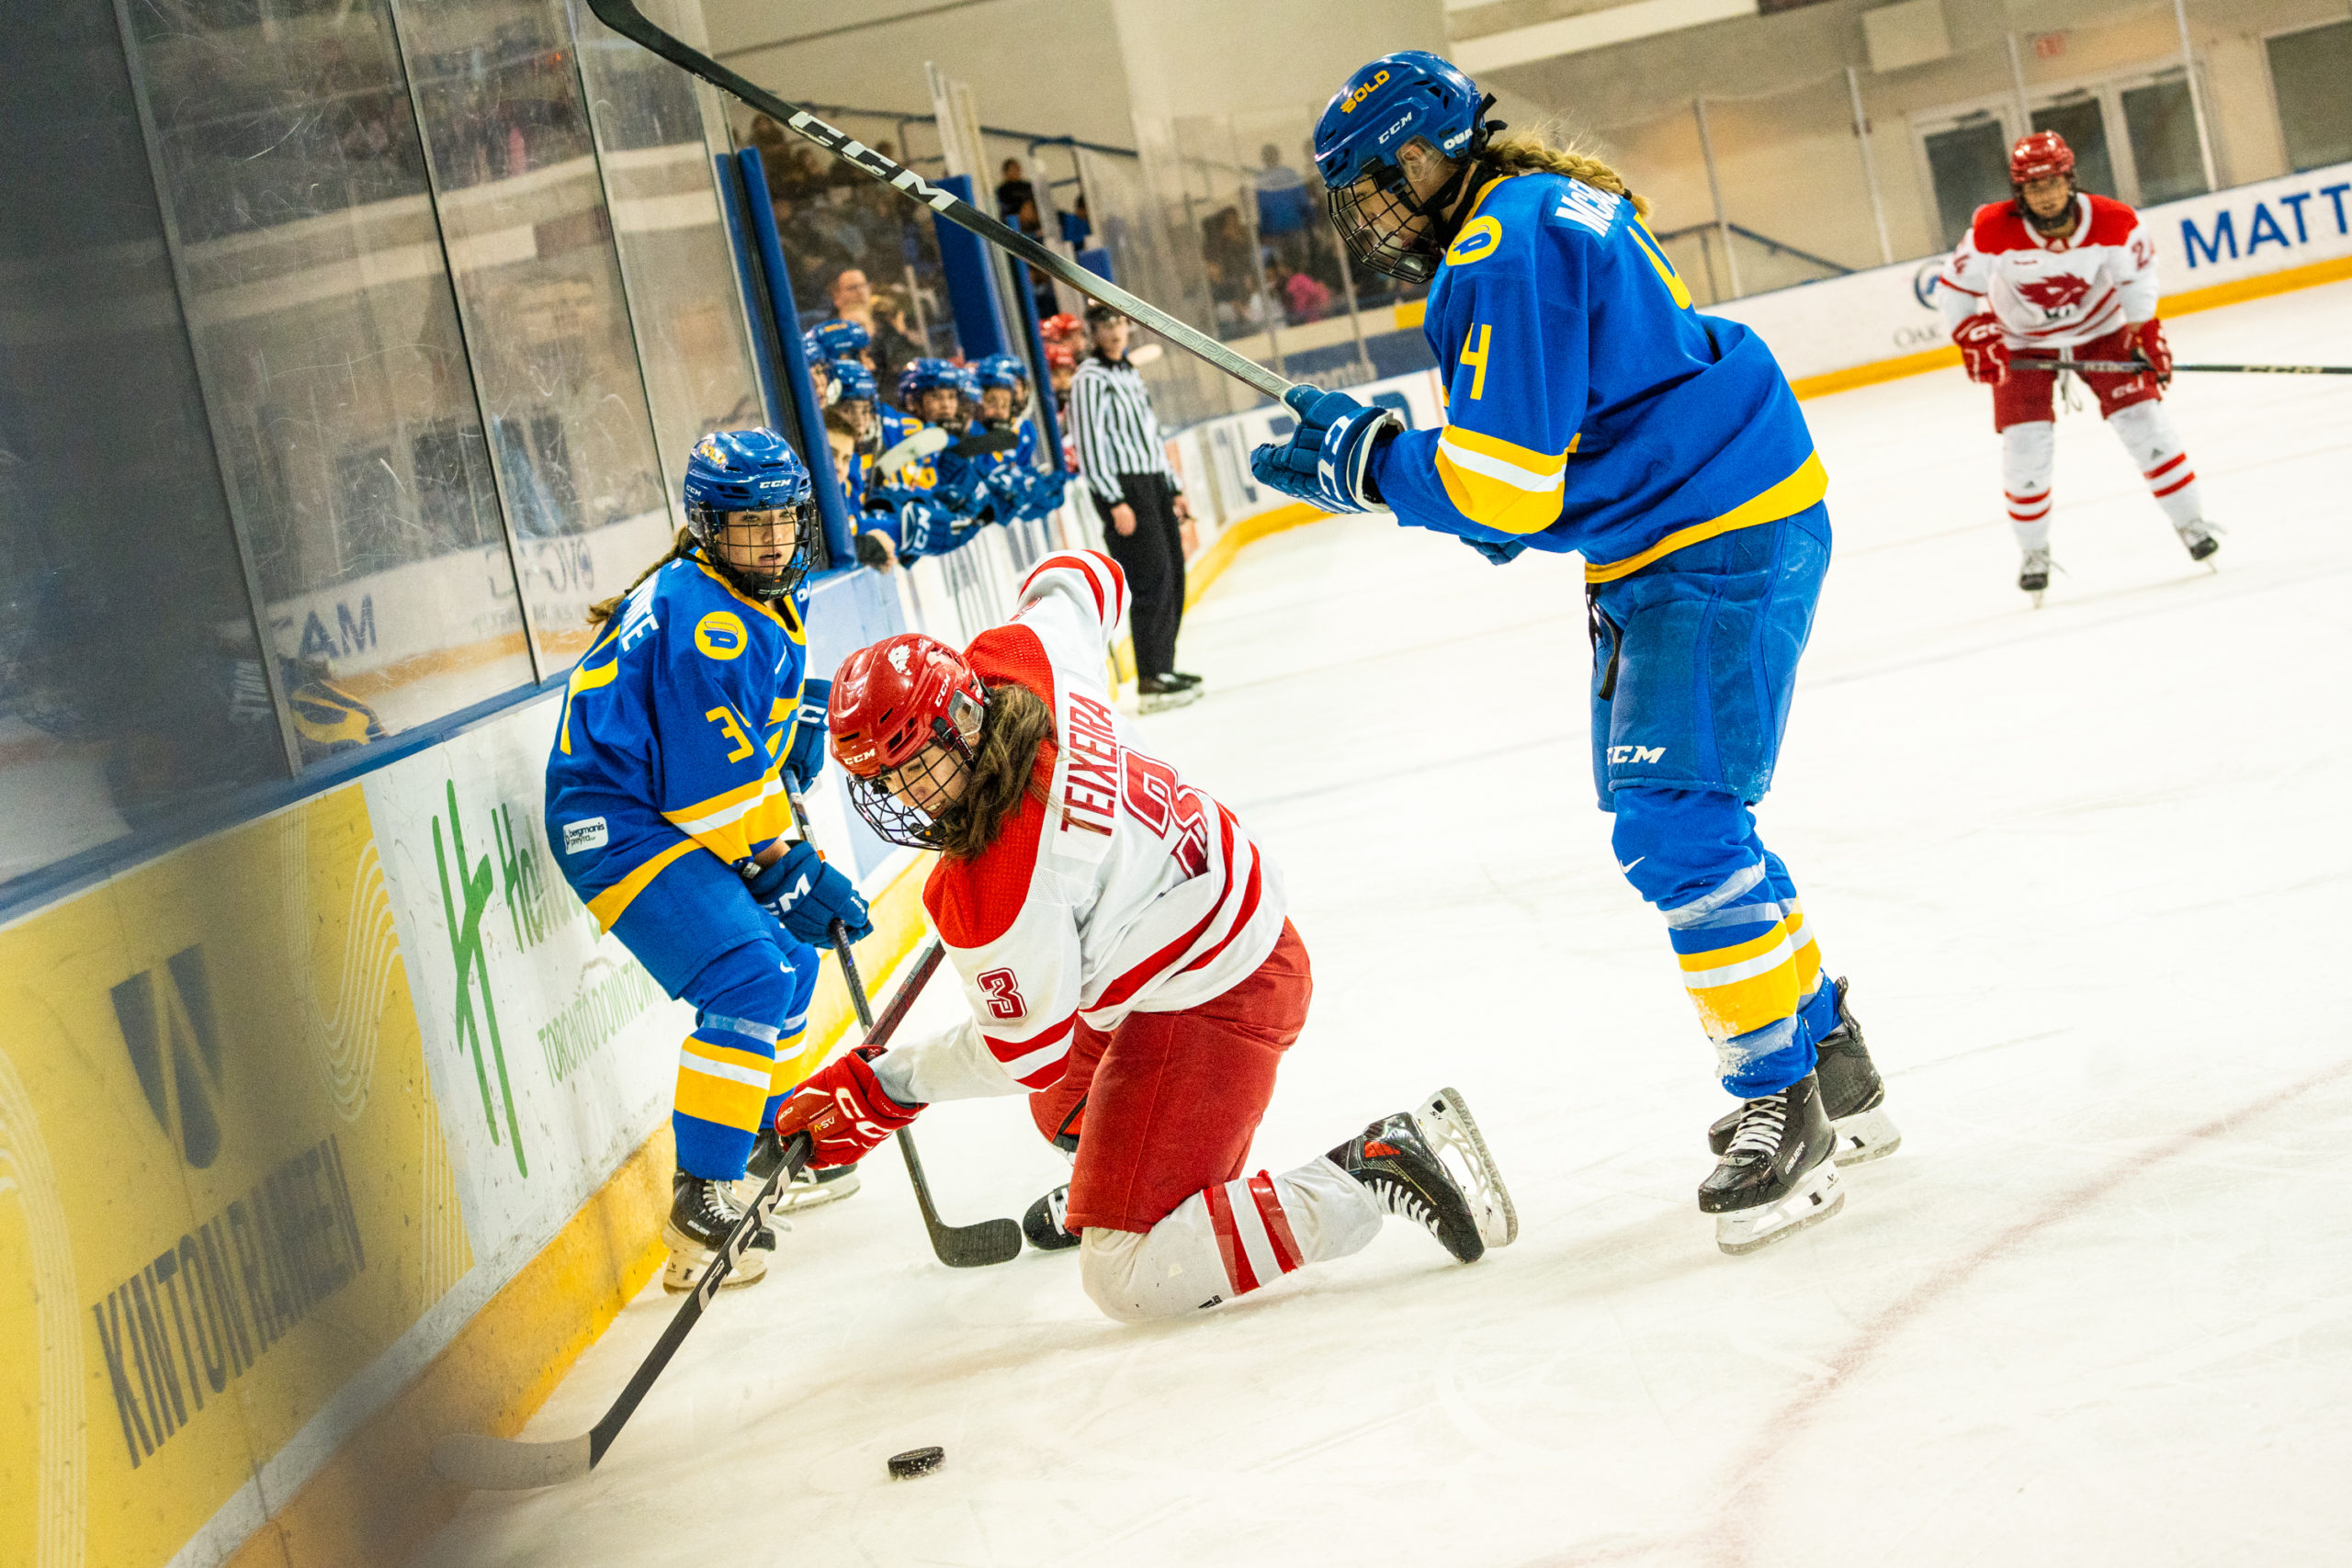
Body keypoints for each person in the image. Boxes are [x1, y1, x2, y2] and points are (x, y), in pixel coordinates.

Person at [1250, 51, 1899, 1255]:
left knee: (1677, 821)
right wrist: (1392, 467)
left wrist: (1374, 465)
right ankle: (1826, 1054)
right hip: (1684, 526)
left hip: (1711, 536)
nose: (1372, 214)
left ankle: (1782, 1095)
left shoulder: (1506, 240)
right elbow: (1530, 476)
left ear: (1428, 155)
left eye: (1378, 184)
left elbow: (1500, 486)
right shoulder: (1532, 213)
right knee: (1679, 815)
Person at [768, 551, 1515, 1320]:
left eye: (912, 769)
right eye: (881, 780)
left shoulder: (1003, 886)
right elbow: (1088, 574)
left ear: (961, 723)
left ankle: (1370, 1169)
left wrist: (886, 1085)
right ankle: (1127, 1179)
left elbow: (1024, 1050)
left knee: (1125, 1276)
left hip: (1225, 988)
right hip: (1209, 904)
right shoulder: (1024, 658)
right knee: (1061, 1109)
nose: (900, 796)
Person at [541, 430, 875, 1290]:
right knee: (750, 979)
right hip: (618, 821)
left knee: (792, 963)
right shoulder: (709, 621)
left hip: (657, 802)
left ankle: (761, 1143)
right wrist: (787, 865)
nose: (771, 538)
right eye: (747, 522)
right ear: (706, 524)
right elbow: (709, 790)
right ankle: (703, 1198)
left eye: (782, 519)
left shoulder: (736, 591)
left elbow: (727, 738)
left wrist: (791, 718)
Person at [1937, 130, 2220, 604]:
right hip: (2021, 341)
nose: (2044, 195)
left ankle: (2192, 525)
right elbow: (1954, 288)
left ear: (2071, 180)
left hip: (2101, 330)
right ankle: (2034, 553)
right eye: (2032, 186)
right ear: (2019, 192)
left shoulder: (2114, 220)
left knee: (2145, 425)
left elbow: (2136, 277)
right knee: (2026, 447)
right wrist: (1972, 334)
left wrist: (2142, 331)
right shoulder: (1991, 228)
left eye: (2052, 183)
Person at [1068, 303, 1200, 711]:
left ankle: (1164, 666)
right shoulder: (1089, 379)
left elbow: (1150, 434)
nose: (1113, 331)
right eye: (1104, 325)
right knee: (1150, 578)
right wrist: (1113, 500)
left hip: (1153, 484)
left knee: (1174, 575)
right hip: (1126, 489)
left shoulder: (1129, 373)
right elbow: (1088, 443)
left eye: (1119, 323)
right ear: (1092, 331)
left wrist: (1172, 487)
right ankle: (1150, 677)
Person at [829, 267, 874, 331]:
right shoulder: (827, 330)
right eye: (852, 288)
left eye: (863, 285)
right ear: (837, 297)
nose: (861, 292)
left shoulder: (886, 324)